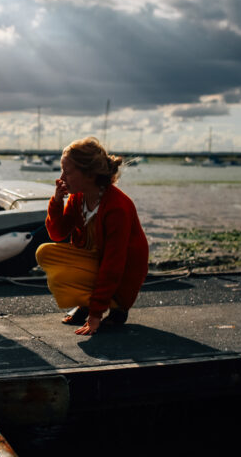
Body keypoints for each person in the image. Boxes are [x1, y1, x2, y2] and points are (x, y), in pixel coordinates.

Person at [35, 137, 149, 335]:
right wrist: (56, 202)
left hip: (122, 276)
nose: (61, 178)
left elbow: (114, 264)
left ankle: (116, 308)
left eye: (67, 172)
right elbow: (57, 234)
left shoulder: (117, 207)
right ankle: (85, 303)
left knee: (69, 274)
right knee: (45, 253)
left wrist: (95, 315)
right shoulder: (78, 197)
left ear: (89, 175)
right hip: (96, 261)